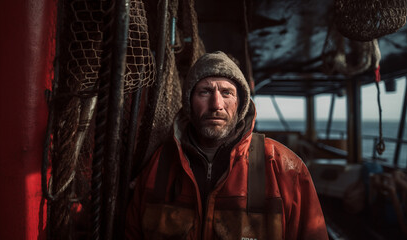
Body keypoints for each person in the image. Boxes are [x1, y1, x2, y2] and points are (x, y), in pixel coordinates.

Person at [126, 51, 328, 240]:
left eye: (227, 93)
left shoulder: (283, 166)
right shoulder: (159, 164)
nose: (216, 104)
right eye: (205, 92)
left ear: (240, 104)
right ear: (189, 102)